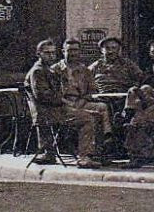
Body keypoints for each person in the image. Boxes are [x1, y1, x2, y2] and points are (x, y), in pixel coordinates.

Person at [25, 39, 102, 167]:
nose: (51, 56)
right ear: (39, 54)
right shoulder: (38, 71)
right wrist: (65, 101)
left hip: (52, 111)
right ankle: (84, 157)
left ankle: (93, 154)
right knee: (89, 118)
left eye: (53, 53)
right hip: (50, 113)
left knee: (95, 114)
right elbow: (43, 96)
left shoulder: (47, 69)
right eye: (47, 53)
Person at [58, 38, 113, 138]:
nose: (73, 53)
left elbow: (92, 90)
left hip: (81, 102)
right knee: (90, 115)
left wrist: (83, 100)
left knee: (102, 107)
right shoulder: (55, 70)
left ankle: (107, 138)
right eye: (70, 50)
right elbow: (53, 94)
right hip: (62, 105)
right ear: (63, 51)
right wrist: (68, 103)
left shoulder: (85, 70)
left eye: (76, 50)